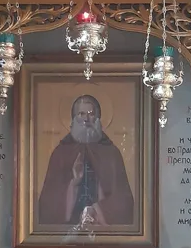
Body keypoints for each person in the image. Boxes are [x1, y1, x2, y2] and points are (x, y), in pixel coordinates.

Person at [38, 94, 134, 227]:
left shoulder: (111, 153)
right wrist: (74, 184)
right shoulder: (61, 153)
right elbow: (48, 203)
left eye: (91, 114)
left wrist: (97, 210)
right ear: (73, 119)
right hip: (68, 229)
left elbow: (124, 200)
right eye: (81, 114)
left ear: (98, 118)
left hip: (102, 228)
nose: (86, 119)